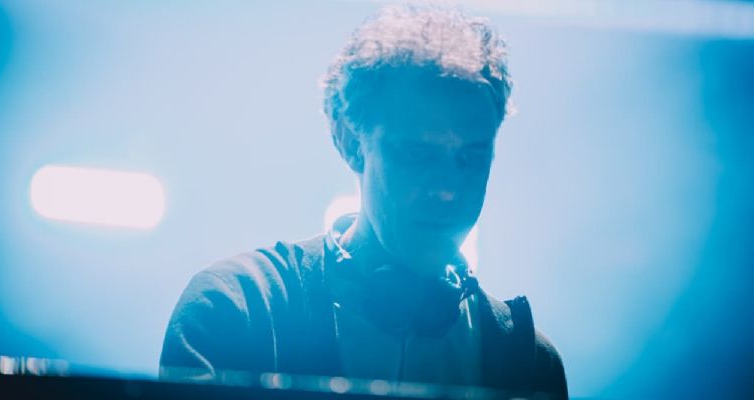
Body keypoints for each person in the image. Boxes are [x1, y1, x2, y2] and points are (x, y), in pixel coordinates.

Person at [159, 5, 567, 399]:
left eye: (471, 159)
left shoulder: (530, 362)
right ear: (351, 143)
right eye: (418, 155)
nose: (447, 189)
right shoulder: (235, 309)